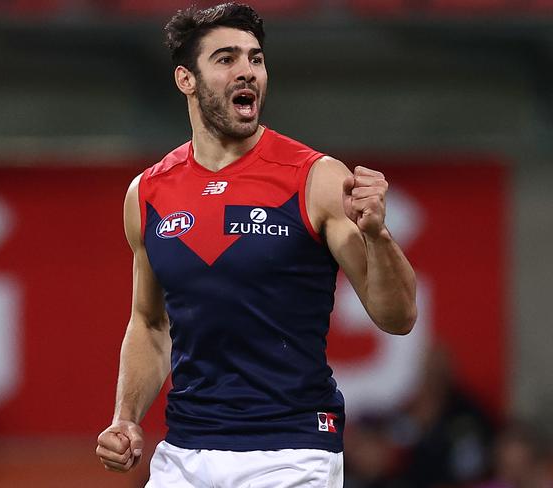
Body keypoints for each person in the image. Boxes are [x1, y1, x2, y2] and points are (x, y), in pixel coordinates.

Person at [95, 3, 417, 487]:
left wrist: (379, 235)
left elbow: (398, 317)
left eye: (256, 59)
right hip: (185, 451)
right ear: (187, 79)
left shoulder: (316, 179)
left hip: (292, 450)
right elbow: (151, 322)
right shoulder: (147, 193)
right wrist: (125, 416)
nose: (247, 71)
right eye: (226, 59)